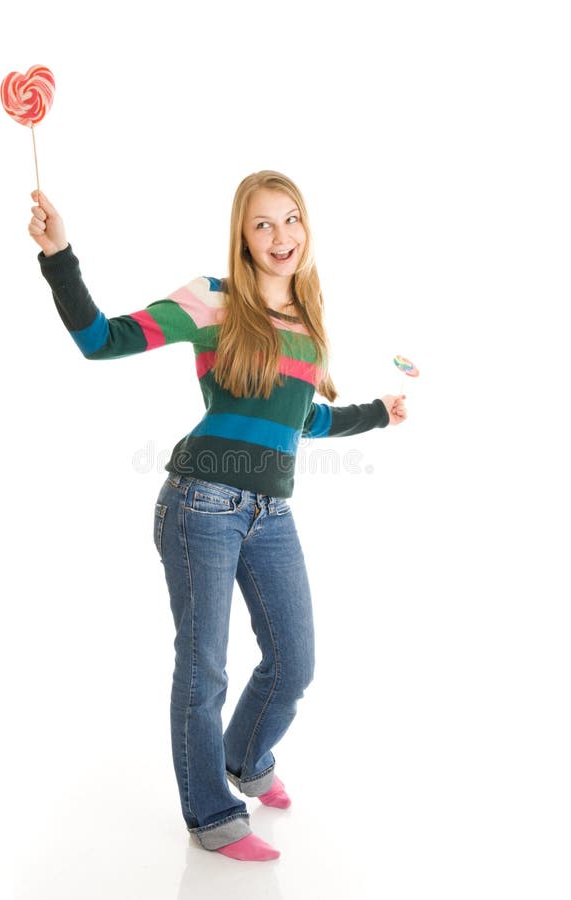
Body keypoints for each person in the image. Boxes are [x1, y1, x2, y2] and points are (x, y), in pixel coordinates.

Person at [28, 171, 407, 862]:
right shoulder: (213, 300)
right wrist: (60, 257)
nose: (280, 235)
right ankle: (211, 814)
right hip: (200, 501)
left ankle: (245, 754)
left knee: (293, 662)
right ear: (242, 235)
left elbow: (300, 419)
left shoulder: (306, 317)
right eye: (261, 223)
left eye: (289, 219)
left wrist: (378, 413)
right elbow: (101, 339)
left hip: (271, 510)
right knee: (204, 670)